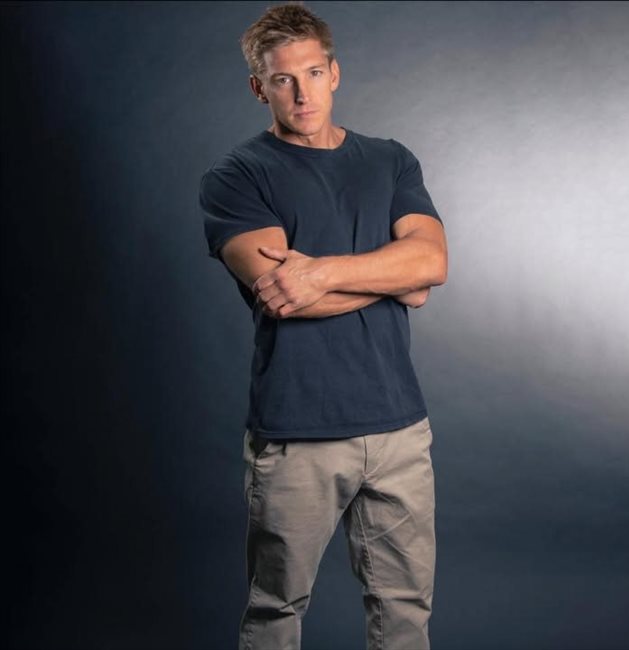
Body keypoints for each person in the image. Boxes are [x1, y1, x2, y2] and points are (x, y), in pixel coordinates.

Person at [199, 3, 448, 649]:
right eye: (283, 78)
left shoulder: (390, 160)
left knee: (405, 608)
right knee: (276, 609)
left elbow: (431, 264)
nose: (302, 93)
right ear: (259, 87)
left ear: (334, 73)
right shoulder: (237, 176)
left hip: (398, 427)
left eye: (313, 72)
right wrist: (392, 277)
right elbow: (287, 297)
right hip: (297, 429)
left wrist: (326, 271)